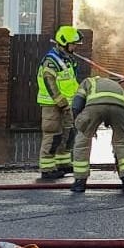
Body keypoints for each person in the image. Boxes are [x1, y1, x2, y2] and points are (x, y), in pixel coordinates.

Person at [69, 75, 124, 194]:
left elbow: (77, 104)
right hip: (120, 108)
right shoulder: (117, 86)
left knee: (83, 140)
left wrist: (80, 123)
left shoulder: (87, 81)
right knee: (122, 141)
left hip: (95, 106)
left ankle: (80, 182)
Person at [36, 25, 81, 180]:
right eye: (73, 44)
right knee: (52, 135)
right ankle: (47, 169)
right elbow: (50, 83)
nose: (75, 47)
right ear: (64, 43)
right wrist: (61, 101)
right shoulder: (51, 60)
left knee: (68, 134)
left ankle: (63, 163)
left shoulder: (67, 59)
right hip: (52, 105)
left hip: (67, 104)